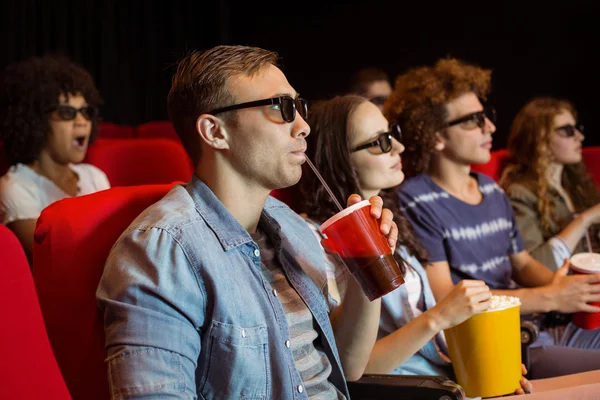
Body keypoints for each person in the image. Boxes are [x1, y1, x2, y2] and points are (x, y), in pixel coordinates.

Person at [96, 45, 398, 399]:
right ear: (215, 132)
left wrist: (366, 269)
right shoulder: (161, 250)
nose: (303, 126)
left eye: (299, 107)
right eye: (281, 108)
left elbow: (346, 368)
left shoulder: (292, 227)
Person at [300, 94, 600, 399]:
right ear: (338, 157)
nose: (400, 148)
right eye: (382, 141)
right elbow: (348, 367)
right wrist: (441, 317)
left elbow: (439, 326)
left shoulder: (390, 221)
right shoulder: (314, 240)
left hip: (456, 374)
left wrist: (486, 360)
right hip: (423, 388)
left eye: (395, 136)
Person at [384, 57, 600, 379]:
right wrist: (551, 295)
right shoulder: (415, 199)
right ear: (434, 136)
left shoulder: (490, 189)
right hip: (498, 342)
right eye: (474, 121)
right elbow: (445, 295)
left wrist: (566, 286)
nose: (491, 128)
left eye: (487, 117)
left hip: (539, 325)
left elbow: (523, 264)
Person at [0, 55, 110, 263]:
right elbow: (53, 257)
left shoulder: (95, 177)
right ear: (37, 122)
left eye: (86, 112)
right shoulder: (15, 187)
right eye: (67, 113)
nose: (82, 122)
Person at [500, 97, 600, 270]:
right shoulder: (520, 193)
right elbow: (535, 267)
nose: (580, 137)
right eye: (568, 130)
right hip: (566, 290)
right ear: (540, 140)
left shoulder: (575, 184)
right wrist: (586, 219)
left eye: (577, 128)